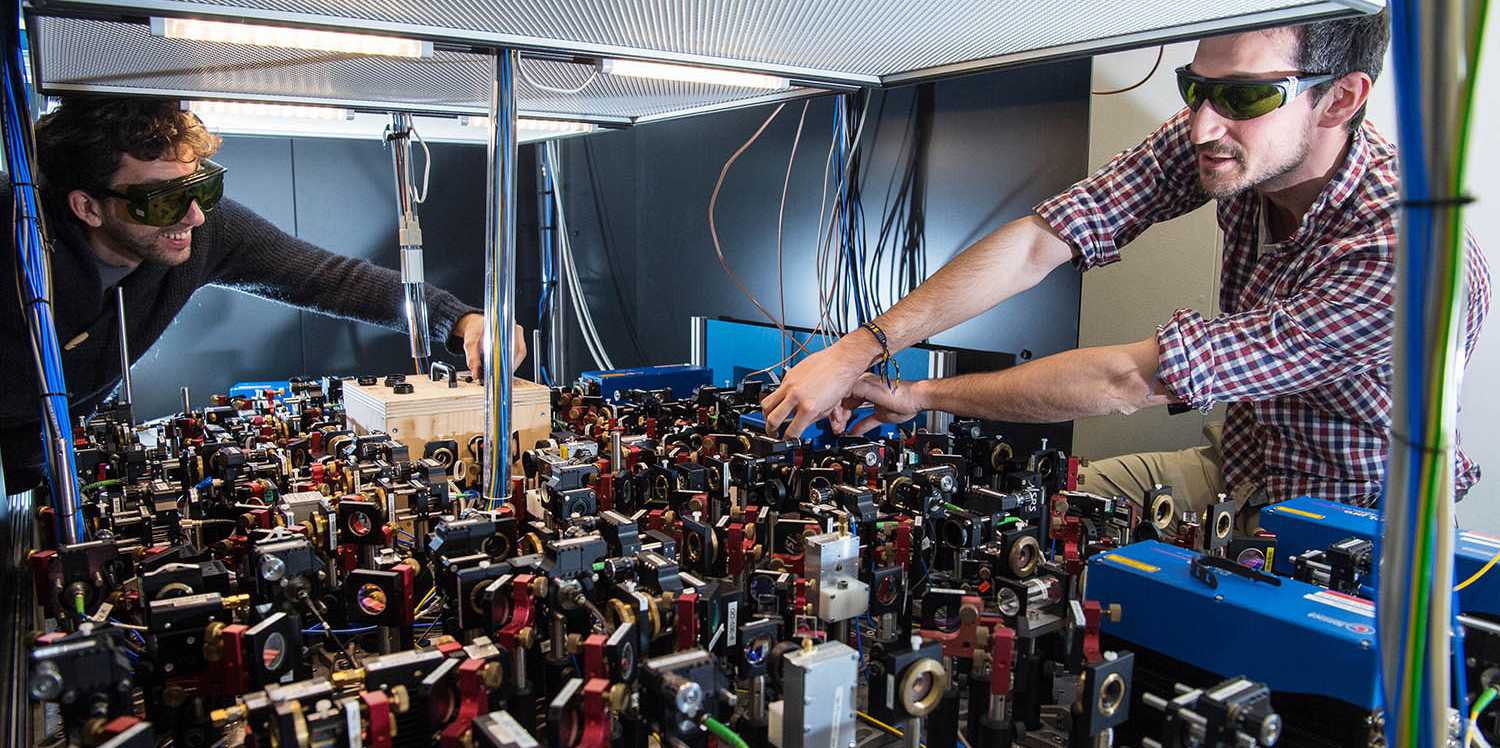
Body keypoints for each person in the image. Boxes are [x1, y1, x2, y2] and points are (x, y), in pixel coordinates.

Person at [762, 9, 1489, 522]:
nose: (1204, 125)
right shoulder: (1227, 142)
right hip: (1236, 469)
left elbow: (1128, 379)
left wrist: (919, 397)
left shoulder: (1411, 259)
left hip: (1359, 529)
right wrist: (859, 348)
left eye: (1245, 97)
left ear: (1340, 99)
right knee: (1022, 517)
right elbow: (1041, 240)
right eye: (1195, 89)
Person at [2, 96, 525, 490]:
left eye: (202, 187)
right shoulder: (20, 249)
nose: (194, 216)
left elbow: (324, 276)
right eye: (161, 202)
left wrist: (461, 322)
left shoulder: (202, 230)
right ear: (86, 207)